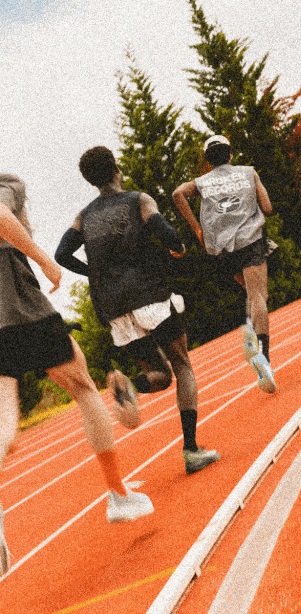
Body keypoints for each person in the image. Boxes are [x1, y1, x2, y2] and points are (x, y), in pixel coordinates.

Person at [0, 173, 155, 574]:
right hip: (16, 302)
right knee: (84, 388)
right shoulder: (7, 182)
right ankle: (118, 495)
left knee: (4, 415)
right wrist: (44, 260)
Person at [56, 146, 220, 476]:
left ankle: (129, 384)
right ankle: (191, 450)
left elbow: (61, 254)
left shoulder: (84, 216)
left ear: (91, 180)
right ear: (117, 169)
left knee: (158, 375)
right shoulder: (138, 200)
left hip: (113, 306)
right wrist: (178, 247)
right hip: (149, 293)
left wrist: (93, 273)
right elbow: (166, 233)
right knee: (182, 363)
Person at [171, 136, 276, 394]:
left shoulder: (202, 181)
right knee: (258, 295)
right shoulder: (249, 172)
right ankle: (263, 355)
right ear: (230, 154)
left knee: (253, 296)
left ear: (208, 161)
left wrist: (197, 229)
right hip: (250, 240)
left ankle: (252, 330)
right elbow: (268, 207)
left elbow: (177, 194)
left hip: (222, 249)